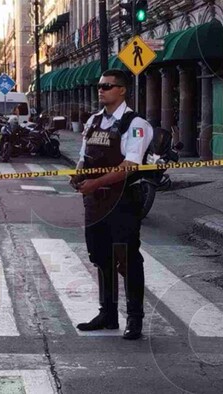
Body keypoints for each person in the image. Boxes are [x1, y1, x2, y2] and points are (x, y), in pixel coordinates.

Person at [70, 69, 153, 340]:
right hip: (95, 204)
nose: (101, 90)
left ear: (122, 90)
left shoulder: (136, 124)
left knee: (127, 260)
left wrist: (94, 183)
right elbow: (84, 157)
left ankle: (135, 318)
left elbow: (129, 165)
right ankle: (107, 314)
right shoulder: (93, 121)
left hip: (122, 202)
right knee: (101, 258)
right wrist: (79, 175)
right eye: (99, 86)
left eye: (107, 86)